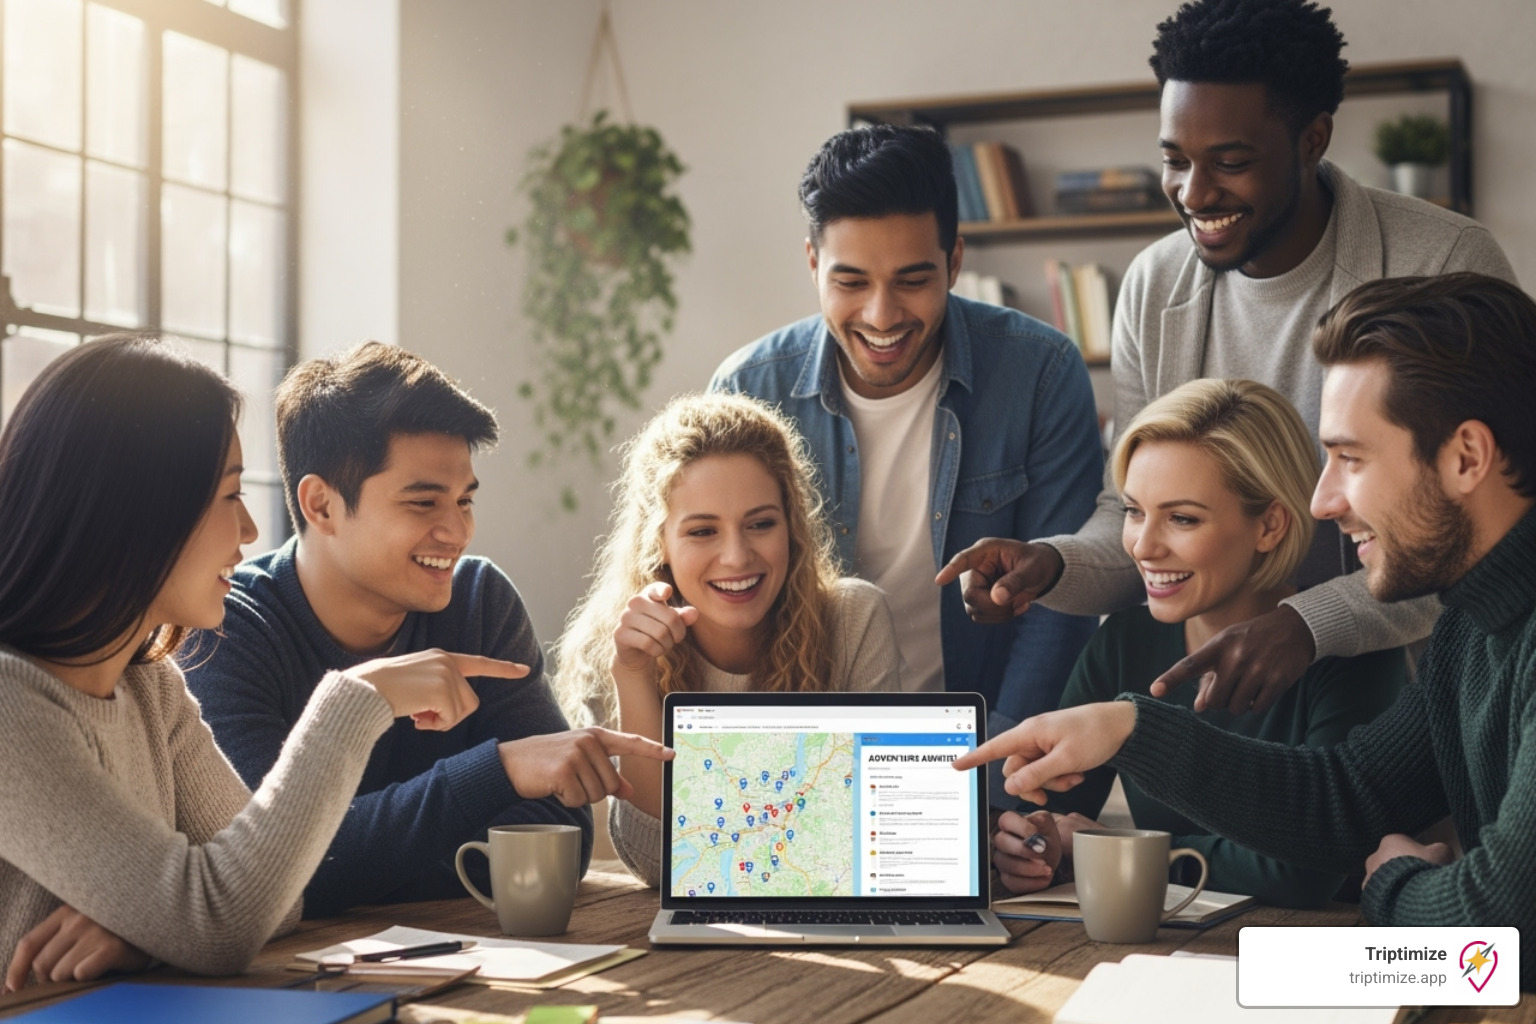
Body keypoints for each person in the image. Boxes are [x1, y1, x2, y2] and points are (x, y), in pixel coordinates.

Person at [938, 0, 1517, 718]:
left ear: (1312, 139)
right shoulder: (1153, 286)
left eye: (1231, 162)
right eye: (1174, 160)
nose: (1194, 193)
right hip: (1238, 703)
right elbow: (1141, 518)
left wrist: (1310, 623)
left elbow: (1488, 527)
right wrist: (1052, 564)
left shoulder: (1445, 262)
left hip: (1421, 697)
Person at [957, 273, 1536, 991]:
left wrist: (1396, 884)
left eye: (1350, 459)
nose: (1324, 500)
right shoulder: (1474, 627)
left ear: (1466, 458)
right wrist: (1132, 730)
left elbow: (1507, 921)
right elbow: (1345, 796)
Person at [0, 336, 596, 988]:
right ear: (136, 511)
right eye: (230, 496)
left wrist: (158, 928)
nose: (252, 531)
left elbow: (272, 896)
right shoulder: (11, 707)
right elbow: (227, 908)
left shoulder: (149, 682)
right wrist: (357, 702)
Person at [184, 342, 663, 917]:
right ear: (322, 506)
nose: (456, 531)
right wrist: (497, 773)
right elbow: (269, 867)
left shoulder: (480, 602)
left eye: (464, 501)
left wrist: (358, 859)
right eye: (423, 503)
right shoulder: (226, 629)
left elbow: (558, 832)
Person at [709, 124, 1103, 771]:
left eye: (913, 280)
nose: (882, 315)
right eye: (852, 282)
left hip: (985, 744)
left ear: (954, 262)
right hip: (804, 752)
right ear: (813, 263)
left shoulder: (1041, 374)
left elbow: (1058, 607)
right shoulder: (749, 388)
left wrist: (997, 782)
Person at [993, 378, 1404, 908]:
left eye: (1182, 518)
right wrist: (1029, 845)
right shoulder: (1122, 643)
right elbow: (1050, 817)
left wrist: (1110, 848)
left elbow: (1304, 871)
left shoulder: (1352, 655)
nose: (1142, 546)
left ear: (1270, 526)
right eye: (1134, 511)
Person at [554, 393, 901, 887]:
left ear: (792, 528)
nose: (737, 558)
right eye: (702, 532)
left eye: (761, 524)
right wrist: (633, 676)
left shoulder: (853, 619)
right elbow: (658, 865)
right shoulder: (610, 645)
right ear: (660, 545)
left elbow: (876, 839)